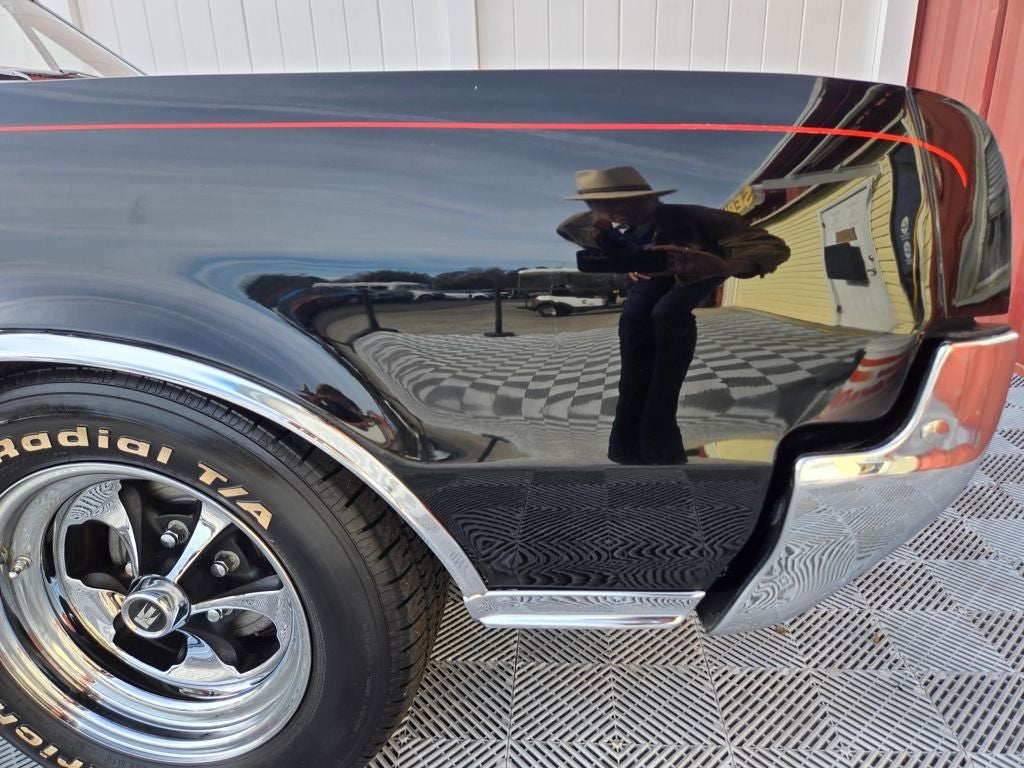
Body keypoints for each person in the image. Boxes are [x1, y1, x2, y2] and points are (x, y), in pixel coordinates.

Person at [557, 166, 789, 464]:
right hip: (646, 288)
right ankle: (626, 449)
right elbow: (570, 229)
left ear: (649, 199)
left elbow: (770, 247)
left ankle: (660, 449)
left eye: (625, 203)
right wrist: (629, 262)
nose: (617, 214)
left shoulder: (698, 217)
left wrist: (723, 266)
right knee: (634, 341)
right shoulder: (609, 231)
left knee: (666, 317)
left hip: (695, 277)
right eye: (603, 207)